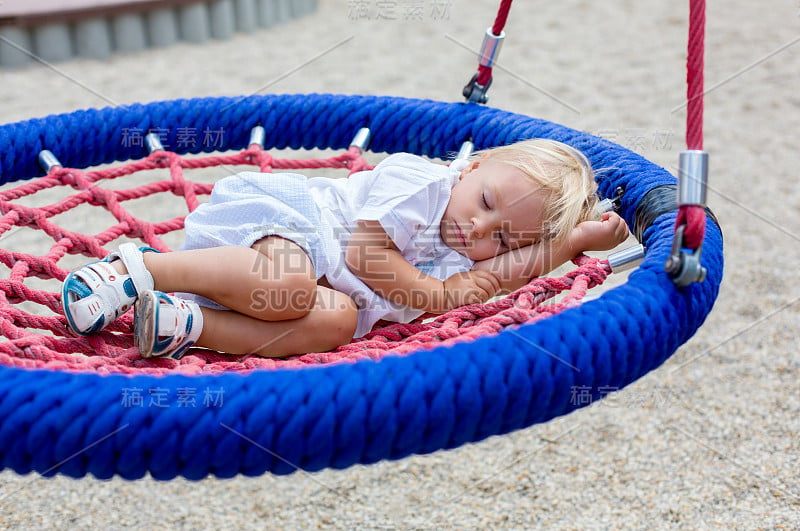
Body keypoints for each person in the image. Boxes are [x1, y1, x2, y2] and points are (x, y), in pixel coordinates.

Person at [61, 139, 629, 359]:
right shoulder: (424, 184)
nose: (479, 230)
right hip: (287, 230)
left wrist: (571, 244)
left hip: (293, 293)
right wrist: (436, 295)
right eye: (484, 200)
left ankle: (185, 323)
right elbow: (365, 254)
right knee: (289, 285)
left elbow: (499, 278)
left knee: (337, 320)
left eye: (503, 238)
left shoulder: (469, 259)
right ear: (472, 167)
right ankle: (136, 270)